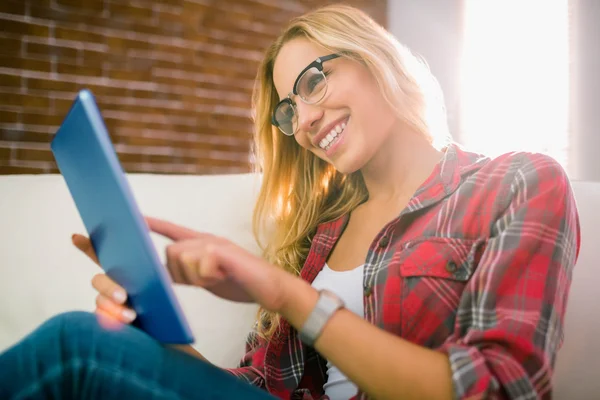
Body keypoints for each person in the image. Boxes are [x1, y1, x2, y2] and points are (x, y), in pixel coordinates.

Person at [0, 4, 580, 400]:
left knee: (72, 346)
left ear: (374, 57)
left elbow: (501, 387)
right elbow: (263, 387)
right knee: (98, 340)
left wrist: (292, 298)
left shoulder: (519, 183)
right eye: (288, 110)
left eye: (312, 83)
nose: (301, 120)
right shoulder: (320, 235)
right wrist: (157, 337)